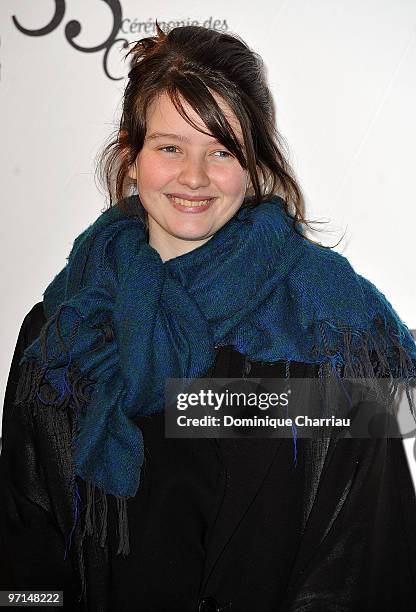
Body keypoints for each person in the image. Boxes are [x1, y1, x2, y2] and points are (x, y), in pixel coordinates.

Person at [1, 23, 416, 612]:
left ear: (254, 166)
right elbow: (25, 554)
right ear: (131, 153)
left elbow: (365, 561)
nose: (194, 177)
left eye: (221, 151)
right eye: (170, 147)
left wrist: (215, 408)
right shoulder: (60, 334)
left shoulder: (329, 329)